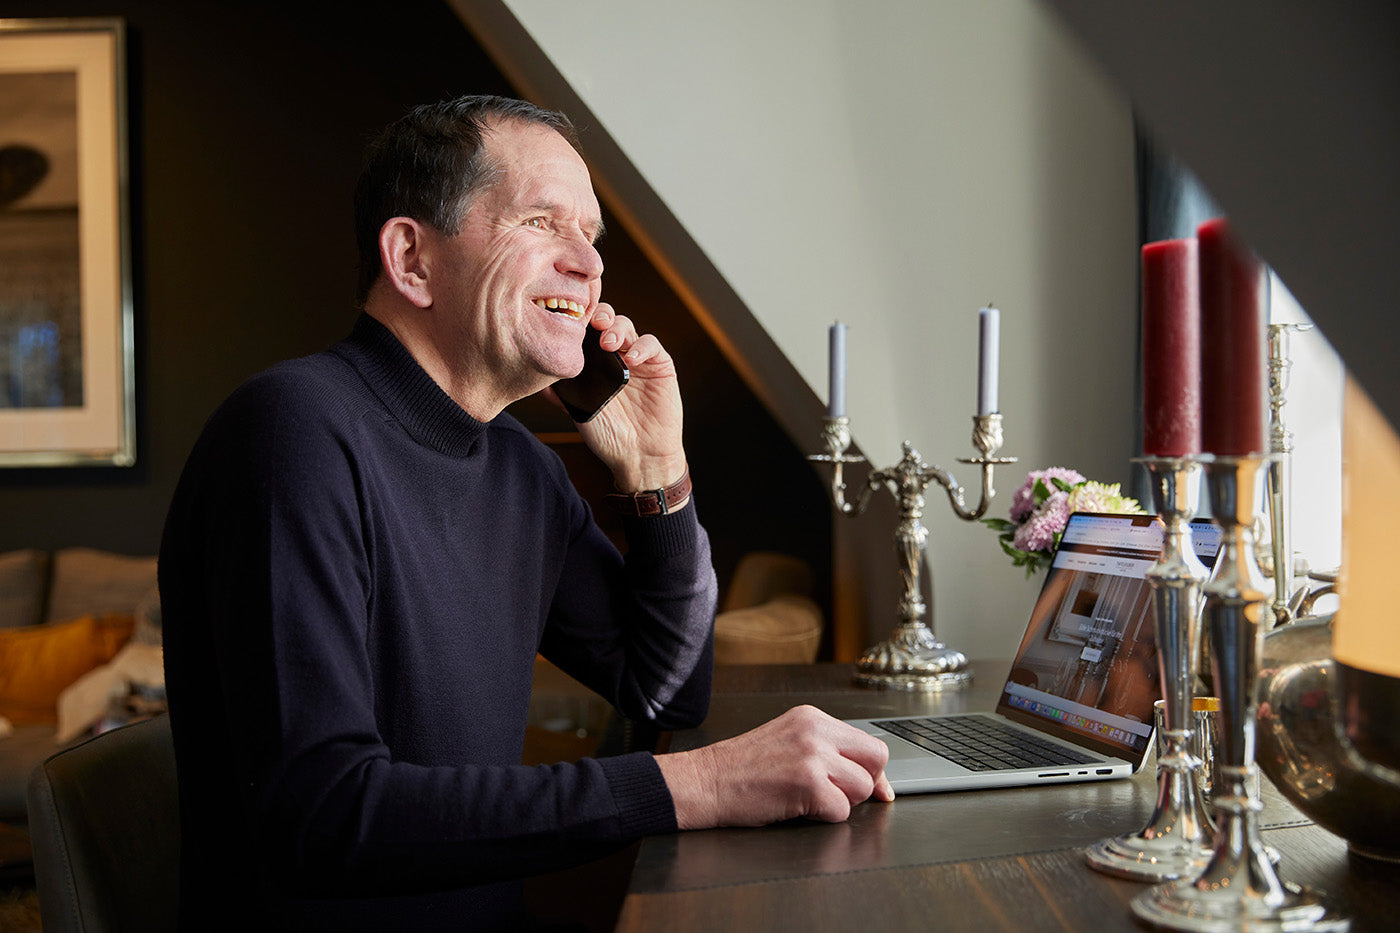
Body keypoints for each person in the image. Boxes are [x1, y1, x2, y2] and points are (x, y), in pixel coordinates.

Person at [158, 94, 893, 930]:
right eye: (544, 222)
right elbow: (323, 816)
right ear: (412, 259)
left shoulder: (517, 465)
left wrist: (659, 474)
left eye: (592, 235)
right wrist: (703, 783)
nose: (588, 263)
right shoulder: (291, 432)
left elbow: (664, 691)